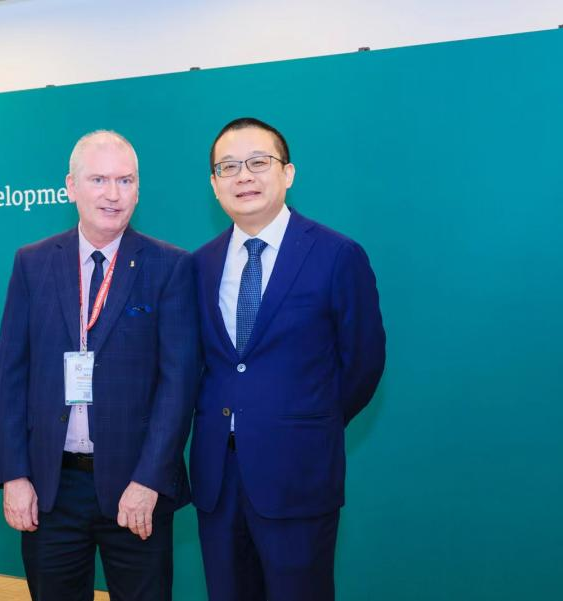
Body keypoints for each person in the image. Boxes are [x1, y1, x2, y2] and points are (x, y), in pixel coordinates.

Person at [0, 130, 201, 601]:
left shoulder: (170, 266)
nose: (113, 194)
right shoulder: (32, 263)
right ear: (71, 186)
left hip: (136, 488)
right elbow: (12, 377)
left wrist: (149, 480)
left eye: (125, 181)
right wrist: (16, 475)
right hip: (51, 488)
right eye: (99, 180)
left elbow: (178, 386)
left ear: (138, 189)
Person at [191, 117, 386, 601]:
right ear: (214, 184)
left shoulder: (337, 255)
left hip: (299, 474)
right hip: (218, 479)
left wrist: (307, 422)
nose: (244, 176)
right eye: (228, 167)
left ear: (288, 173)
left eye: (258, 162)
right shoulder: (199, 264)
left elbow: (363, 363)